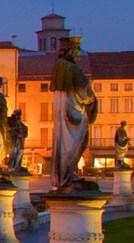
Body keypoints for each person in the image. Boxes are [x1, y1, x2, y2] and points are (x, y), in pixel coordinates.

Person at [49, 37, 99, 192]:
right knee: (78, 142)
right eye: (76, 50)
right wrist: (92, 100)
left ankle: (65, 175)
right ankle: (68, 174)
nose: (78, 54)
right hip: (74, 113)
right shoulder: (71, 68)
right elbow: (84, 92)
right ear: (70, 50)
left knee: (64, 143)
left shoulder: (59, 66)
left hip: (63, 113)